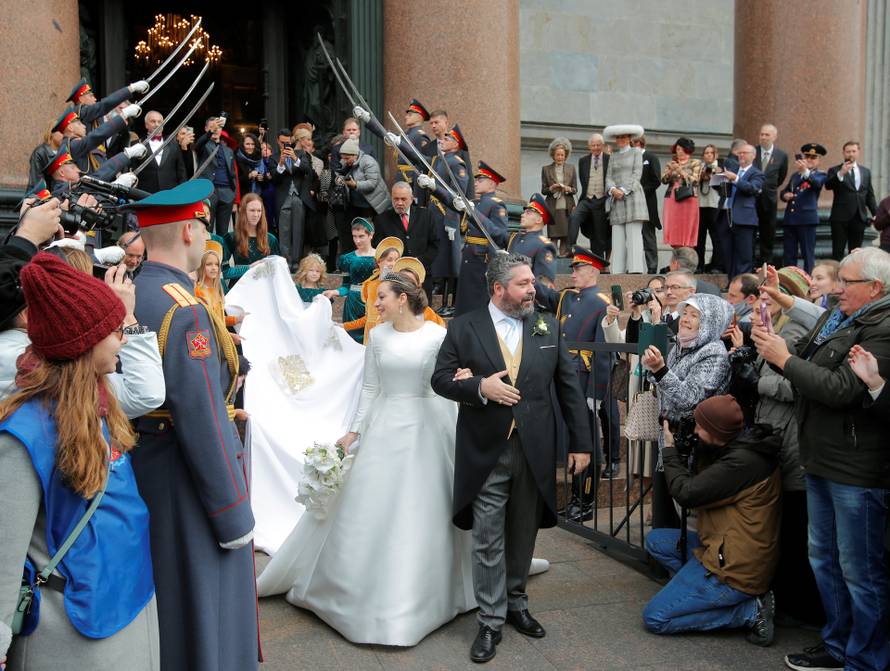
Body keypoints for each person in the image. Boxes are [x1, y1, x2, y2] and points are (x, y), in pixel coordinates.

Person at [257, 271, 476, 646]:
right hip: (386, 426)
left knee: (426, 505)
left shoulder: (438, 335)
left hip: (430, 425)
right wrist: (354, 431)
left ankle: (436, 591)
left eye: (381, 297)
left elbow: (446, 381)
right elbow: (371, 387)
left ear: (403, 298)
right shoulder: (377, 336)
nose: (375, 304)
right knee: (371, 505)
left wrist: (463, 378)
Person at [431, 253, 592, 663]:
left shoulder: (547, 326)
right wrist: (481, 387)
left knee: (523, 531)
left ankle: (517, 600)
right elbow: (441, 379)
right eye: (523, 284)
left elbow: (569, 390)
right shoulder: (464, 327)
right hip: (485, 450)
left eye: (531, 282)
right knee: (487, 536)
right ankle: (489, 619)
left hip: (535, 448)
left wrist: (582, 444)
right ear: (498, 289)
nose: (532, 290)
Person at [0, 252, 158, 670]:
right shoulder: (24, 432)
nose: (121, 335)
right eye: (112, 328)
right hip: (71, 629)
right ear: (83, 344)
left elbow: (149, 390)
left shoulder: (99, 400)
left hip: (127, 597)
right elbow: (4, 552)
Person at [129, 180, 259, 671]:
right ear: (188, 231)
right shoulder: (184, 310)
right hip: (187, 477)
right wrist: (233, 514)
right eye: (203, 225)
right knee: (205, 610)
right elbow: (201, 417)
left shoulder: (136, 290)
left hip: (143, 463)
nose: (206, 236)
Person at [752, 247, 890, 671]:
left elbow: (839, 389)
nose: (836, 289)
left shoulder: (883, 327)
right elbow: (817, 319)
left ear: (875, 288)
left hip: (856, 469)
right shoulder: (849, 316)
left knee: (860, 573)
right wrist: (781, 299)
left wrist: (784, 359)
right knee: (825, 562)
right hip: (823, 461)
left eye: (847, 283)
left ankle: (865, 659)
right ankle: (837, 645)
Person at [642, 395, 781, 646]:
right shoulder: (735, 447)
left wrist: (670, 451)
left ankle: (749, 610)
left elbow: (688, 493)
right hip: (720, 545)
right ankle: (695, 592)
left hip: (736, 568)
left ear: (718, 431)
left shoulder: (743, 463)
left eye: (700, 427)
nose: (695, 431)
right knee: (656, 540)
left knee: (656, 617)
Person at [641, 292, 733, 529]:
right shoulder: (681, 346)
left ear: (710, 322)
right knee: (666, 514)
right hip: (669, 441)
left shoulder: (713, 352)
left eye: (694, 315)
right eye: (684, 313)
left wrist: (660, 371)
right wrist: (655, 369)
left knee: (686, 520)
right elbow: (667, 386)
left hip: (692, 447)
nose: (685, 319)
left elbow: (690, 399)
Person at [536, 247, 617, 514]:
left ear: (593, 271)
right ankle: (573, 498)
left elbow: (603, 355)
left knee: (588, 442)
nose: (573, 273)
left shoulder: (601, 303)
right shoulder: (569, 298)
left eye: (578, 268)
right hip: (564, 377)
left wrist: (596, 393)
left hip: (583, 381)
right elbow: (545, 295)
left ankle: (586, 500)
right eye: (572, 268)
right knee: (572, 440)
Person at [454, 162, 510, 316]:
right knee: (464, 303)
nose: (476, 182)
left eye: (481, 180)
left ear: (491, 183)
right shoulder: (476, 202)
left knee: (477, 304)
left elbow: (501, 235)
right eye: (476, 179)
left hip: (481, 260)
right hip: (469, 257)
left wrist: (474, 213)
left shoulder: (497, 205)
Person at [372, 181, 440, 296]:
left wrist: (419, 261)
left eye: (403, 199)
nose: (399, 203)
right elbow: (378, 248)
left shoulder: (426, 216)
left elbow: (435, 245)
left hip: (421, 275)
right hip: (394, 278)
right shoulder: (381, 219)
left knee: (422, 312)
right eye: (396, 199)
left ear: (412, 198)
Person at [714, 144, 765, 279]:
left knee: (744, 255)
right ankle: (731, 281)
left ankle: (743, 284)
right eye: (740, 153)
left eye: (745, 153)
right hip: (726, 215)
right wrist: (718, 179)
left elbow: (753, 189)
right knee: (728, 252)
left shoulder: (756, 173)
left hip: (744, 218)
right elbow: (722, 191)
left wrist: (735, 179)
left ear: (753, 156)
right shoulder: (733, 170)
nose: (741, 155)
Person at [603, 124, 648, 273]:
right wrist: (612, 189)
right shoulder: (613, 156)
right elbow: (608, 177)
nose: (621, 140)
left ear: (629, 138)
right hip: (616, 200)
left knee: (634, 235)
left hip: (633, 196)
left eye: (624, 137)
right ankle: (617, 271)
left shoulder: (636, 152)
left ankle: (635, 270)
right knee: (617, 236)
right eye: (618, 137)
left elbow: (637, 174)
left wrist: (623, 190)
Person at [825, 141, 879, 260]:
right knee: (838, 251)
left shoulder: (865, 171)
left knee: (855, 252)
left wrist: (876, 213)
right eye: (848, 151)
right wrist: (841, 173)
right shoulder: (835, 170)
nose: (851, 154)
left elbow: (869, 195)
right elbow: (828, 185)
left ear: (858, 152)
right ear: (843, 153)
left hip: (859, 216)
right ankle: (836, 277)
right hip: (840, 217)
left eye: (854, 151)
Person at [780, 143, 828, 273]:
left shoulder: (820, 175)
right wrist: (785, 195)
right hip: (791, 219)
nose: (809, 160)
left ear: (818, 160)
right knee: (789, 253)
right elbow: (783, 191)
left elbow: (816, 185)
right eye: (807, 157)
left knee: (807, 253)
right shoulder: (795, 176)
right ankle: (789, 279)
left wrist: (806, 172)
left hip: (807, 219)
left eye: (813, 157)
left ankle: (809, 281)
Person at [271, 128, 311, 269]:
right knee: (284, 231)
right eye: (282, 143)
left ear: (292, 141)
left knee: (298, 231)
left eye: (287, 143)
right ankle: (285, 264)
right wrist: (281, 163)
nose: (285, 146)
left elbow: (307, 169)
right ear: (277, 141)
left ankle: (296, 263)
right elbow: (274, 180)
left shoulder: (300, 154)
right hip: (283, 198)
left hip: (298, 197)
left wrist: (295, 158)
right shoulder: (274, 157)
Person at [222, 193, 280, 288]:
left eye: (259, 211)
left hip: (264, 290)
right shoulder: (232, 237)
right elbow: (223, 272)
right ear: (243, 211)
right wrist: (249, 268)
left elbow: (277, 271)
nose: (256, 214)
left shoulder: (271, 239)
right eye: (252, 210)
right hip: (240, 289)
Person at [334, 218, 378, 342]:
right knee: (351, 342)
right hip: (353, 304)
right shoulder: (347, 259)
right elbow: (346, 285)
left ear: (371, 235)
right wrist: (336, 292)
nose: (357, 240)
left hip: (374, 302)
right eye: (354, 236)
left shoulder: (381, 257)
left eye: (361, 236)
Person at [194, 117, 238, 236]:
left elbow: (233, 174)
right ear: (206, 128)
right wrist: (209, 133)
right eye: (213, 126)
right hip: (209, 191)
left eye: (218, 127)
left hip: (227, 193)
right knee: (206, 227)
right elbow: (198, 145)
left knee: (223, 232)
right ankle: (207, 254)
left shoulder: (228, 150)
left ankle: (222, 254)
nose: (216, 129)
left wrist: (233, 194)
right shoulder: (204, 146)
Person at [194, 240, 244, 339]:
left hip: (221, 339)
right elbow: (209, 324)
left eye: (217, 264)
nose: (214, 268)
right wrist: (230, 337)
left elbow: (219, 319)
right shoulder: (198, 291)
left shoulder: (216, 289)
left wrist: (236, 320)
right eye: (209, 264)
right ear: (201, 266)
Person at [570, 133, 610, 255]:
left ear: (602, 146)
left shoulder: (609, 159)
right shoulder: (583, 161)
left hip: (602, 200)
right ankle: (570, 247)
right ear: (589, 147)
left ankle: (599, 262)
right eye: (593, 145)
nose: (596, 148)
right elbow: (583, 181)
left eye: (598, 145)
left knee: (598, 233)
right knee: (574, 216)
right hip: (587, 199)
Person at [754, 124, 789, 264]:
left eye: (767, 135)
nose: (763, 137)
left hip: (769, 200)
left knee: (768, 234)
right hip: (752, 199)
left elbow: (781, 177)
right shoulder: (753, 152)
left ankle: (765, 264)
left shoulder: (781, 155)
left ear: (774, 137)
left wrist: (769, 188)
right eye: (761, 134)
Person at [661, 137, 702, 250]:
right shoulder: (671, 163)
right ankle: (676, 260)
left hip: (688, 198)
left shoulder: (695, 162)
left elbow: (695, 181)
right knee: (674, 230)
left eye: (680, 149)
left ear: (687, 149)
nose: (678, 152)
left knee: (687, 230)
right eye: (677, 149)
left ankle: (687, 262)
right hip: (672, 198)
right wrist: (670, 171)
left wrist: (679, 170)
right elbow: (663, 180)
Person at [508, 194, 558, 287]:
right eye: (524, 212)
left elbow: (544, 283)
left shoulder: (544, 245)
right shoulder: (515, 237)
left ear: (539, 220)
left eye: (528, 213)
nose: (522, 215)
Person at [541, 137, 577, 257]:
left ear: (566, 155)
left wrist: (567, 188)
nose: (560, 157)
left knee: (565, 237)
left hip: (567, 206)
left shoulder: (571, 168)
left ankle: (562, 259)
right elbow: (544, 190)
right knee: (553, 236)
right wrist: (551, 188)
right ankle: (551, 260)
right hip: (553, 207)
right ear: (553, 155)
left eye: (562, 155)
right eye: (558, 155)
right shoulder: (546, 169)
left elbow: (575, 189)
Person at [139, 110, 186, 194]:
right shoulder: (137, 145)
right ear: (146, 125)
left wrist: (182, 192)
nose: (157, 124)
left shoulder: (173, 144)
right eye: (153, 121)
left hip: (170, 193)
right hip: (146, 194)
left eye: (160, 122)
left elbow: (181, 171)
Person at [634, 135, 662, 273]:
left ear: (640, 143)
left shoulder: (651, 157)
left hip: (647, 203)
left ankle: (652, 267)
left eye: (633, 144)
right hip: (631, 204)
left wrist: (640, 191)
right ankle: (634, 267)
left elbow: (656, 180)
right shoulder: (629, 159)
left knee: (648, 235)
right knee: (633, 236)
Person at [697, 144, 722, 273]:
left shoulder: (719, 167)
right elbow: (695, 181)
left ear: (715, 155)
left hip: (714, 205)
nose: (708, 155)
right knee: (699, 238)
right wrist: (702, 175)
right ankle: (699, 265)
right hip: (700, 205)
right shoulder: (699, 167)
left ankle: (716, 265)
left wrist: (714, 173)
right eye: (706, 153)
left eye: (710, 153)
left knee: (715, 237)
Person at [27, 122, 62, 192]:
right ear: (52, 133)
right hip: (42, 198)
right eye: (61, 131)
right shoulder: (40, 152)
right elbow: (36, 182)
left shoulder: (66, 152)